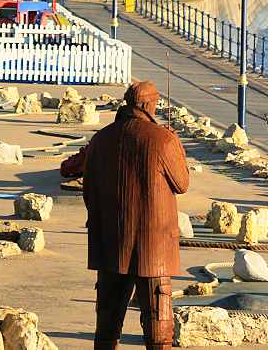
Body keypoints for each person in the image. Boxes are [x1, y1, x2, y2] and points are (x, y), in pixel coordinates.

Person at [84, 81, 189, 350]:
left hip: (110, 244)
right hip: (154, 247)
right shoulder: (163, 139)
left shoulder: (101, 139)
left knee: (107, 323)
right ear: (146, 105)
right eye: (155, 103)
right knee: (157, 325)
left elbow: (88, 191)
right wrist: (176, 143)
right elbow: (182, 184)